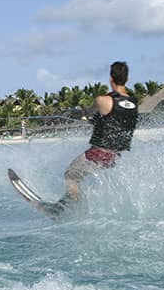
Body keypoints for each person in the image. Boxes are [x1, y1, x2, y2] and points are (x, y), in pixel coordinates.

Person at [55, 60, 138, 210]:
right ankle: (75, 202)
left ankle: (67, 209)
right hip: (115, 157)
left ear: (111, 78)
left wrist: (87, 115)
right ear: (127, 79)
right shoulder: (134, 102)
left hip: (98, 153)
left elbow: (90, 111)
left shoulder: (102, 100)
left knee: (70, 176)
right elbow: (117, 121)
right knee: (81, 177)